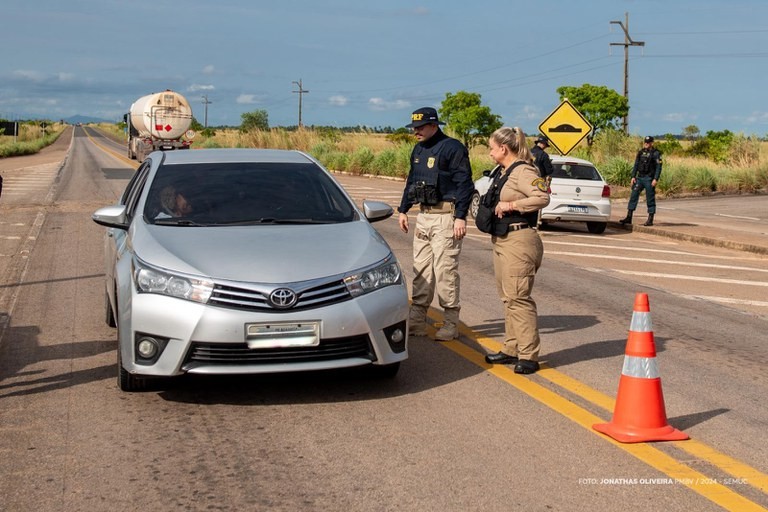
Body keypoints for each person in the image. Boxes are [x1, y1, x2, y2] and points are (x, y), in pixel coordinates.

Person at [397, 107, 474, 341]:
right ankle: (418, 320)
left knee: (444, 271)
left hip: (445, 217)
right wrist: (403, 209)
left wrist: (460, 216)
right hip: (424, 215)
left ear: (433, 125)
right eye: (413, 128)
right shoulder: (418, 149)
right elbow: (412, 180)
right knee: (421, 270)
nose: (416, 132)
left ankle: (451, 322)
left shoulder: (452, 148)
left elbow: (465, 185)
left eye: (420, 128)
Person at [482, 126, 550, 374]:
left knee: (519, 298)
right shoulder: (503, 171)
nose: (490, 153)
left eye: (491, 148)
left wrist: (512, 204)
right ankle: (511, 348)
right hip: (502, 238)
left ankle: (529, 354)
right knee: (508, 297)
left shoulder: (523, 170)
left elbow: (542, 197)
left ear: (503, 148)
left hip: (520, 240)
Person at [620, 136, 663, 226]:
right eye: (645, 142)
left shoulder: (656, 153)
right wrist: (633, 176)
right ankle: (629, 217)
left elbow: (659, 167)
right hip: (640, 178)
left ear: (652, 143)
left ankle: (650, 219)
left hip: (649, 178)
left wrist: (655, 179)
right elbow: (636, 164)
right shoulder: (641, 152)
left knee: (650, 198)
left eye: (648, 142)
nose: (646, 144)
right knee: (633, 196)